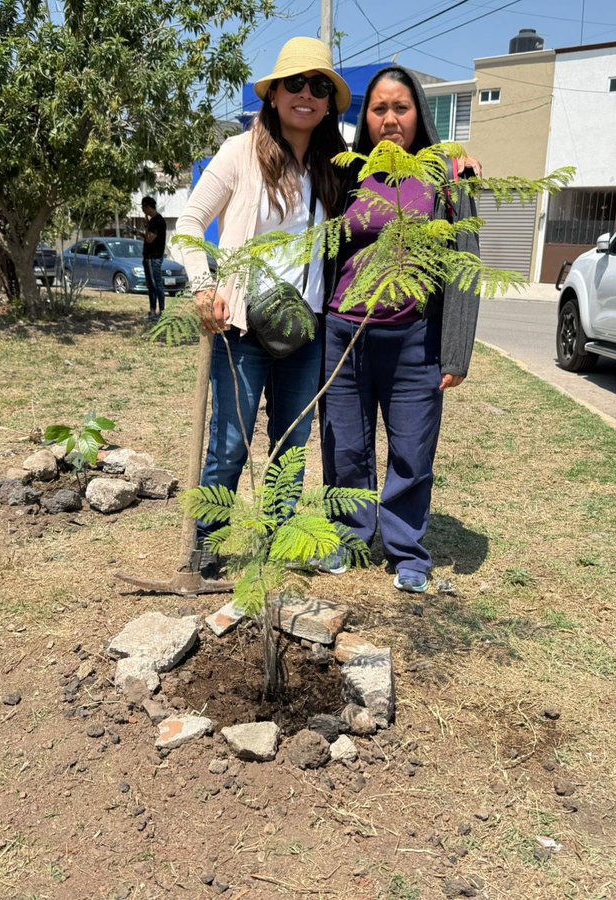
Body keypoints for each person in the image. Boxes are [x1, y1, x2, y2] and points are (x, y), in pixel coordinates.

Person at [174, 37, 350, 559]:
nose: (307, 95)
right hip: (242, 328)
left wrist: (455, 168)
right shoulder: (239, 154)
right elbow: (189, 222)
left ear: (327, 101)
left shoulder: (334, 163)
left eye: (319, 86)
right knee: (229, 445)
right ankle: (208, 543)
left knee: (290, 447)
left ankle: (275, 549)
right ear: (273, 94)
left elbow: (394, 169)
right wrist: (204, 287)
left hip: (306, 332)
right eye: (294, 83)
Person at [318, 65, 481, 594]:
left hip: (416, 338)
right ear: (364, 118)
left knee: (412, 450)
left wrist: (455, 352)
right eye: (379, 108)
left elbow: (465, 265)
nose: (390, 120)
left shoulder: (446, 180)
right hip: (345, 334)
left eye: (401, 108)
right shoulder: (348, 174)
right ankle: (348, 533)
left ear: (419, 115)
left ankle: (407, 550)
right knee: (345, 447)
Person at [141, 196, 167, 320]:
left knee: (156, 284)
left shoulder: (157, 221)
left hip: (154, 257)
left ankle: (161, 312)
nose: (143, 211)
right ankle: (152, 312)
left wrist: (145, 229)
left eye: (143, 208)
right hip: (148, 256)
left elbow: (150, 238)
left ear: (147, 207)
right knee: (151, 285)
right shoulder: (152, 221)